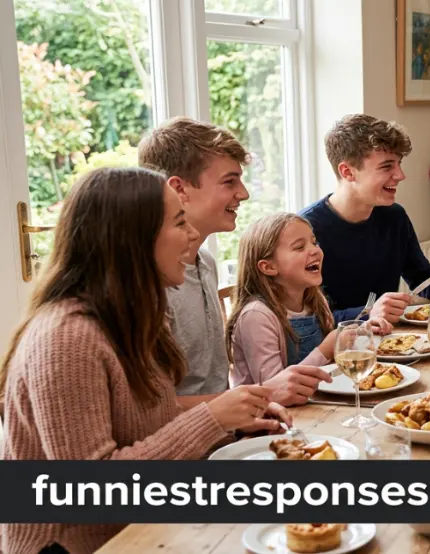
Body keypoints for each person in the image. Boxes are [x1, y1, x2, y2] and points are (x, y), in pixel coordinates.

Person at [0, 168, 288, 554]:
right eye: (179, 222)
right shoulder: (66, 338)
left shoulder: (135, 315)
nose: (191, 235)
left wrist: (237, 426)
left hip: (147, 529)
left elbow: (146, 426)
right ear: (132, 241)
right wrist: (212, 419)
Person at [139, 118, 330, 406]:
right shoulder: (147, 283)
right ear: (180, 190)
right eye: (229, 181)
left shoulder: (205, 262)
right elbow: (151, 410)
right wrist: (262, 396)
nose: (244, 193)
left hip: (232, 430)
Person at [301, 114, 430, 324]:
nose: (400, 175)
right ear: (348, 172)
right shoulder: (307, 231)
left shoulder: (394, 216)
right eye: (387, 166)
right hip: (335, 351)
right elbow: (308, 320)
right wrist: (369, 313)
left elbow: (422, 277)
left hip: (387, 342)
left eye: (399, 164)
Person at [226, 213, 392, 387]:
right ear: (268, 267)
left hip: (314, 404)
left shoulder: (315, 300)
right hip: (269, 412)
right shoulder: (257, 317)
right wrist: (325, 351)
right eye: (299, 247)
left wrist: (360, 333)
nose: (315, 250)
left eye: (314, 242)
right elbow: (274, 389)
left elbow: (332, 369)